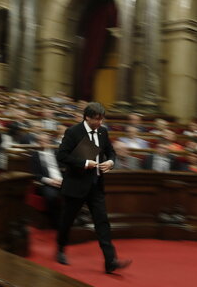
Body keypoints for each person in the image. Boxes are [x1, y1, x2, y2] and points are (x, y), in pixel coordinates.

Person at [55, 102, 131, 274]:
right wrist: (84, 162)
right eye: (97, 119)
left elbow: (111, 151)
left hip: (96, 185)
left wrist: (111, 162)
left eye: (101, 119)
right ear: (87, 117)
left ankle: (110, 261)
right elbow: (62, 155)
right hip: (76, 185)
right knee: (67, 220)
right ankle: (60, 248)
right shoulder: (73, 132)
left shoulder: (103, 132)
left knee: (102, 222)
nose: (100, 122)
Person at [30, 133, 62, 228]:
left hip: (61, 180)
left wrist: (63, 180)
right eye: (41, 141)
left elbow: (64, 168)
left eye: (46, 140)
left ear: (49, 141)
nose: (43, 143)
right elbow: (35, 175)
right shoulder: (34, 155)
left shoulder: (56, 153)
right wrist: (51, 181)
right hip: (47, 183)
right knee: (51, 196)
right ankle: (56, 223)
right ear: (38, 142)